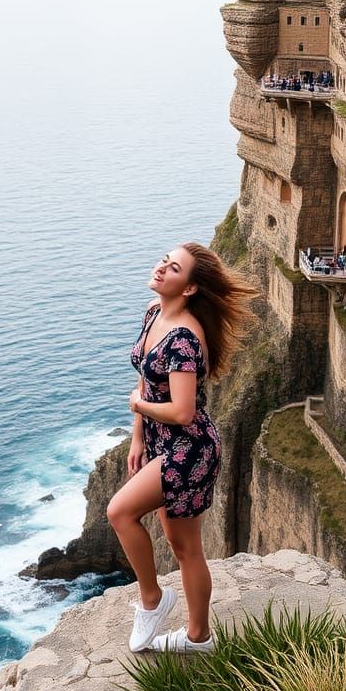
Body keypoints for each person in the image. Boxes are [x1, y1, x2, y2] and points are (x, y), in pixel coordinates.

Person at [111, 244, 258, 655]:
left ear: (190, 287)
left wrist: (138, 407)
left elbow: (181, 411)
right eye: (163, 260)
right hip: (161, 444)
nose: (161, 268)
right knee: (181, 544)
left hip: (189, 450)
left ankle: (154, 601)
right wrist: (138, 435)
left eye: (173, 268)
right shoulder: (153, 313)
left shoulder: (184, 340)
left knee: (124, 515)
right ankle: (199, 637)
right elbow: (144, 377)